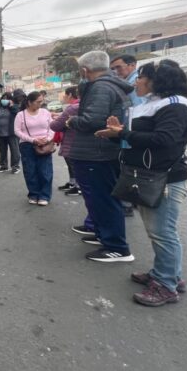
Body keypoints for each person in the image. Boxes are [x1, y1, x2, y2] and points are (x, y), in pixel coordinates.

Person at [96, 61, 187, 305]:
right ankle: (169, 274)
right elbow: (137, 141)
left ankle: (166, 285)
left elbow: (164, 139)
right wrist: (116, 135)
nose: (135, 82)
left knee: (163, 233)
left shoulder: (176, 105)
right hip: (147, 176)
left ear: (156, 80)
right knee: (159, 232)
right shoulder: (151, 104)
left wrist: (121, 134)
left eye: (140, 77)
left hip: (164, 180)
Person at [66, 50, 134, 263]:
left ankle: (117, 247)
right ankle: (104, 234)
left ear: (85, 70)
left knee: (103, 199)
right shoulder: (107, 86)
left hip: (97, 153)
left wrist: (71, 122)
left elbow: (91, 121)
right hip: (99, 152)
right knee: (99, 199)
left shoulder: (101, 88)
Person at [110, 54, 147, 218]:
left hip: (131, 135)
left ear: (132, 65)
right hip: (128, 135)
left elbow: (137, 112)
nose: (116, 71)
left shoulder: (134, 85)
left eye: (119, 67)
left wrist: (127, 133)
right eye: (114, 68)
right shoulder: (128, 83)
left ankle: (127, 204)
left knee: (129, 170)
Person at [14, 91, 55, 206]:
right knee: (30, 171)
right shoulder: (20, 115)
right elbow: (17, 131)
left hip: (45, 144)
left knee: (45, 171)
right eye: (38, 102)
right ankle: (33, 194)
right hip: (27, 145)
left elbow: (52, 127)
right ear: (29, 102)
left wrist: (47, 139)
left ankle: (44, 195)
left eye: (41, 101)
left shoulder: (45, 112)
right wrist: (33, 140)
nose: (40, 104)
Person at [51, 86, 81, 195]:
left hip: (71, 140)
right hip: (76, 140)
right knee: (72, 164)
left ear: (70, 95)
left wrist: (53, 121)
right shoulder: (81, 105)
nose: (64, 96)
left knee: (73, 163)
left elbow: (57, 125)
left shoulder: (72, 108)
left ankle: (78, 186)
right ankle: (73, 182)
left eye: (65, 94)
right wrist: (59, 116)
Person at [0, 92, 21, 173]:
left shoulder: (14, 107)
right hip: (0, 133)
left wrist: (12, 106)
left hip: (12, 133)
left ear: (11, 100)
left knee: (14, 150)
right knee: (2, 150)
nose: (5, 100)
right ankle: (4, 166)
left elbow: (18, 114)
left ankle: (15, 166)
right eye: (3, 98)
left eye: (7, 98)